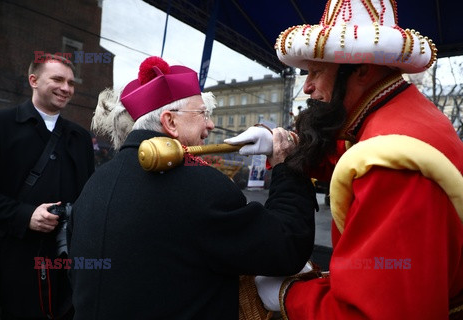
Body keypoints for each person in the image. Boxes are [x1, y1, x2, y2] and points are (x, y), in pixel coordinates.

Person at [236, 0, 463, 318]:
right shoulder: (396, 117)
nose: (308, 87)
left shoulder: (392, 164)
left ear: (361, 69)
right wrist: (287, 142)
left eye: (317, 71)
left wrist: (289, 294)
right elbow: (346, 154)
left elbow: (373, 313)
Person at [67, 56, 317, 319]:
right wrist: (287, 165)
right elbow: (288, 245)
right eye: (202, 114)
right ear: (170, 122)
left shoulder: (95, 183)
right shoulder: (203, 187)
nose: (209, 124)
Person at [0, 54, 95, 319]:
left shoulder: (80, 137)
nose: (66, 88)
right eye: (57, 79)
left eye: (70, 82)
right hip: (12, 262)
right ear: (33, 80)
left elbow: (88, 194)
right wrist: (24, 215)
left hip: (66, 262)